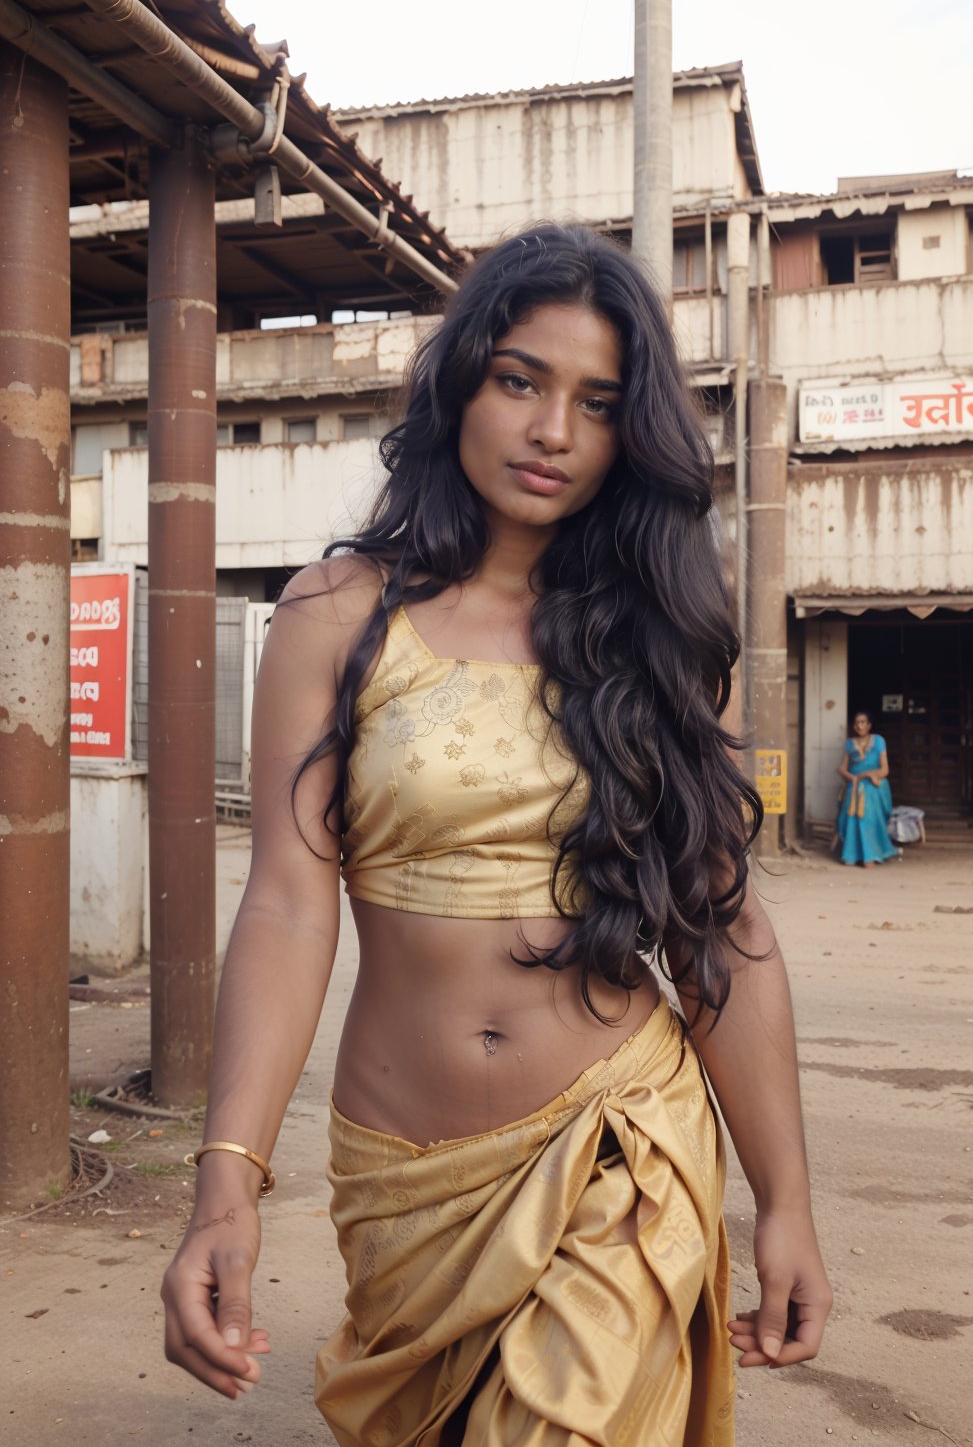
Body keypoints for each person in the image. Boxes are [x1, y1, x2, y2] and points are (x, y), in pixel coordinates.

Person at [161, 223, 832, 1444]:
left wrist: (785, 1199)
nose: (553, 433)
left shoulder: (664, 640)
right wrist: (227, 1177)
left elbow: (724, 927)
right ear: (462, 378)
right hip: (405, 1181)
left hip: (614, 1142)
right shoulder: (334, 616)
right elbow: (288, 904)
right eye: (521, 380)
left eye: (598, 402)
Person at [835, 711, 898, 867]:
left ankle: (871, 855)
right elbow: (842, 769)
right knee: (850, 817)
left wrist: (867, 774)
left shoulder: (878, 741)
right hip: (854, 785)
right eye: (857, 723)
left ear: (869, 725)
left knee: (868, 816)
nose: (860, 725)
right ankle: (852, 855)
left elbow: (885, 770)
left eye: (863, 722)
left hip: (872, 786)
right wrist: (853, 778)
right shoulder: (849, 744)